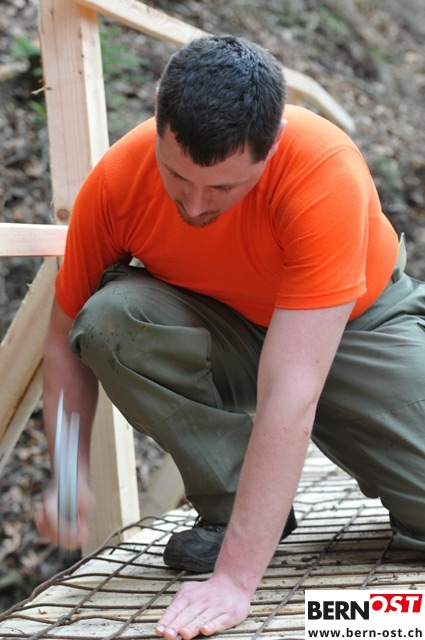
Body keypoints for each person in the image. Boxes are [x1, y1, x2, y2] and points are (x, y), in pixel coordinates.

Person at [36, 33, 425, 640]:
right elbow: (64, 341)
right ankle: (234, 505)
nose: (194, 206)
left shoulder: (321, 166)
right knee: (111, 317)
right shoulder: (116, 181)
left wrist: (236, 584)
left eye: (223, 188)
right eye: (177, 175)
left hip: (356, 328)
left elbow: (291, 388)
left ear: (274, 141)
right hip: (224, 328)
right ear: (159, 112)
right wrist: (66, 475)